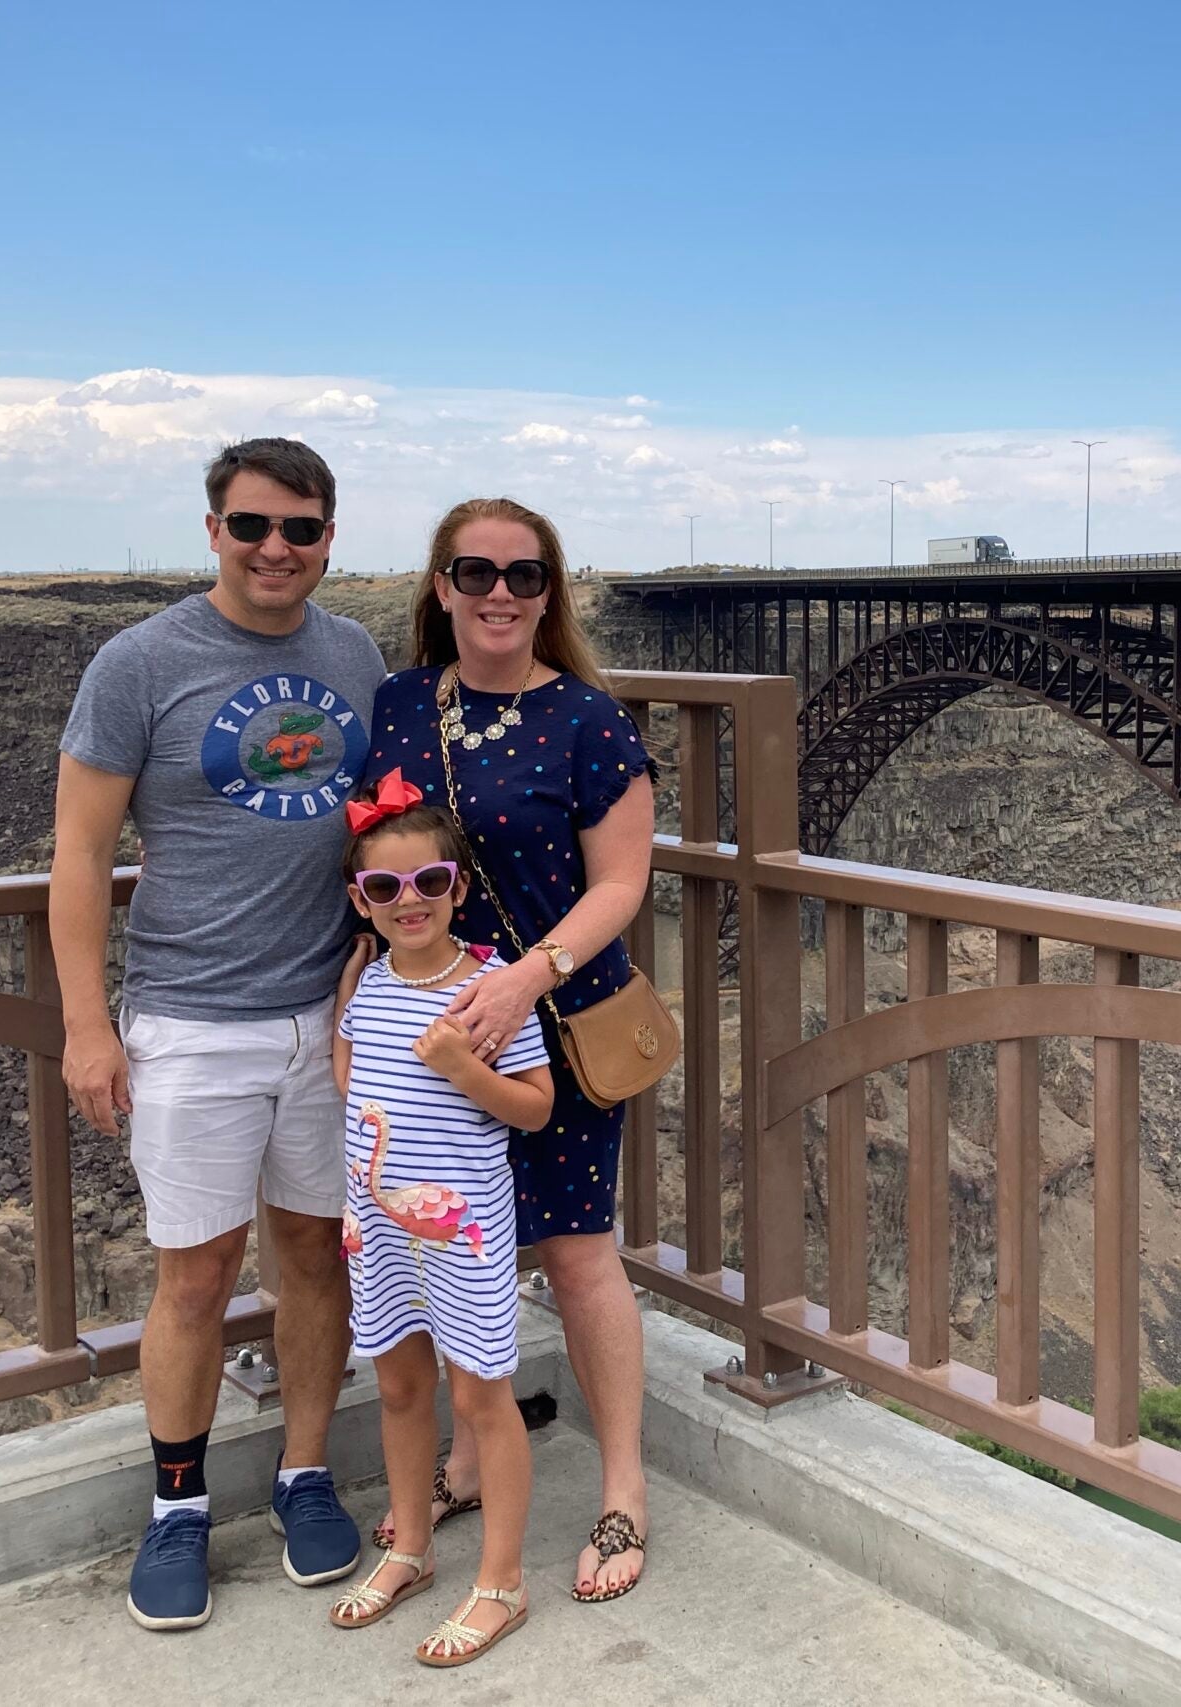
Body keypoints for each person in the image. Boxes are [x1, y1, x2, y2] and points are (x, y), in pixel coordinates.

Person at [52, 438, 385, 1630]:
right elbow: (80, 853)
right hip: (191, 1021)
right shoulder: (139, 663)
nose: (274, 549)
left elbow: (384, 824)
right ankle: (178, 1505)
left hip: (328, 1023)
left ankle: (306, 1473)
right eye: (251, 526)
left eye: (299, 528)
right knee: (194, 1275)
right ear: (213, 531)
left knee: (315, 1257)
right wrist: (87, 1027)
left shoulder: (354, 654)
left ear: (329, 538)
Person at [361, 495, 657, 1604]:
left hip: (554, 1027)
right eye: (475, 572)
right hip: (433, 1033)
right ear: (440, 586)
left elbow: (622, 882)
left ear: (548, 593)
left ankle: (623, 1489)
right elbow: (383, 858)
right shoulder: (400, 704)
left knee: (576, 1253)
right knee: (449, 1248)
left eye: (523, 575)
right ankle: (473, 1456)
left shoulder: (587, 720)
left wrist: (529, 974)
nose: (498, 593)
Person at [324, 775, 553, 1666]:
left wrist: (464, 1067)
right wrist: (347, 1002)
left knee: (479, 1395)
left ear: (458, 886)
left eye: (428, 881)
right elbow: (353, 1081)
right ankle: (411, 1546)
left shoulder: (489, 992)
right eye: (385, 886)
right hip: (380, 1228)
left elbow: (534, 1106)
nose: (408, 900)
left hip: (461, 1232)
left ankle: (501, 1582)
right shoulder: (372, 985)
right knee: (397, 1385)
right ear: (362, 900)